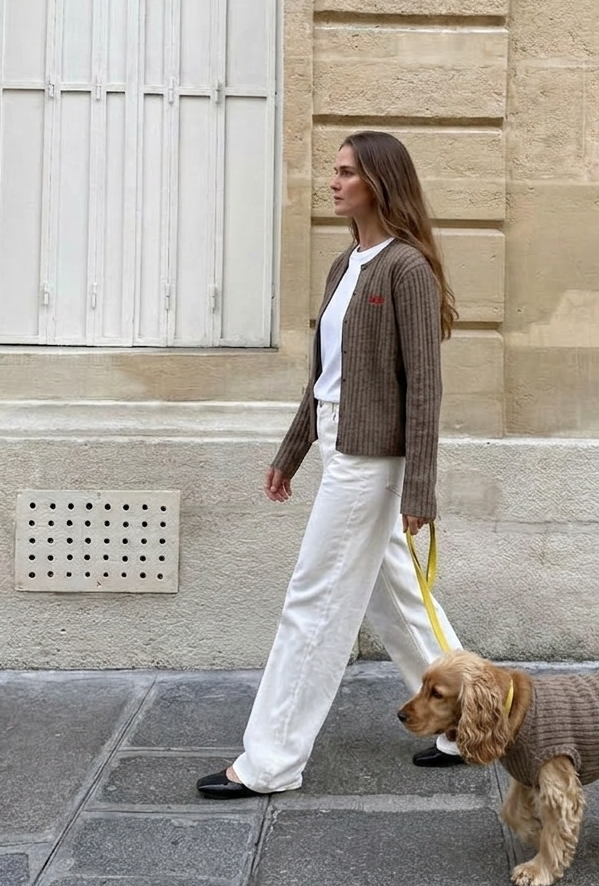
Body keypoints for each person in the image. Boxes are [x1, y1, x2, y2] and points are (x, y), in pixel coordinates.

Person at [197, 131, 464, 799]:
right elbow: (326, 377)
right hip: (340, 444)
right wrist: (291, 451)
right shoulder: (346, 264)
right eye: (335, 171)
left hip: (370, 462)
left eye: (347, 172)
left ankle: (270, 762)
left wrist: (421, 487)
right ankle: (471, 721)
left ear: (379, 182)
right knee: (396, 595)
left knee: (312, 603)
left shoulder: (407, 269)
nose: (334, 182)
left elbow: (424, 388)